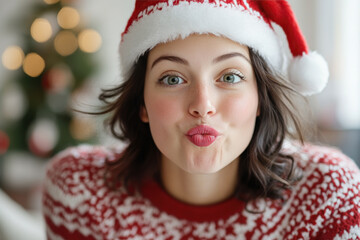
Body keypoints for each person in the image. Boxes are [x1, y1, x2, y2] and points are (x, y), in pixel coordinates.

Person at [42, 0, 360, 239]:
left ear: (260, 98)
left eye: (230, 76)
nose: (202, 106)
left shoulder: (329, 196)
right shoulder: (78, 193)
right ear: (142, 103)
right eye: (172, 79)